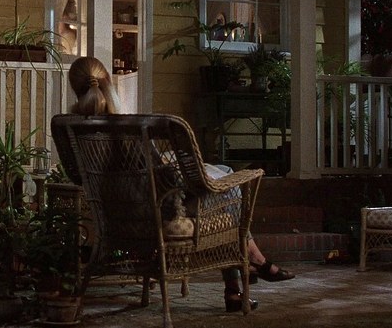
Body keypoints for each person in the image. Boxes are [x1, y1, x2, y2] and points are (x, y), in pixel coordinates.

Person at [67, 56, 295, 313]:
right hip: (159, 215)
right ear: (107, 80)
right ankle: (251, 263)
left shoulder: (73, 130)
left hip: (115, 218)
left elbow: (76, 177)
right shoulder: (130, 130)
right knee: (230, 186)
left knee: (223, 175)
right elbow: (169, 182)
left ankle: (238, 285)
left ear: (75, 87)